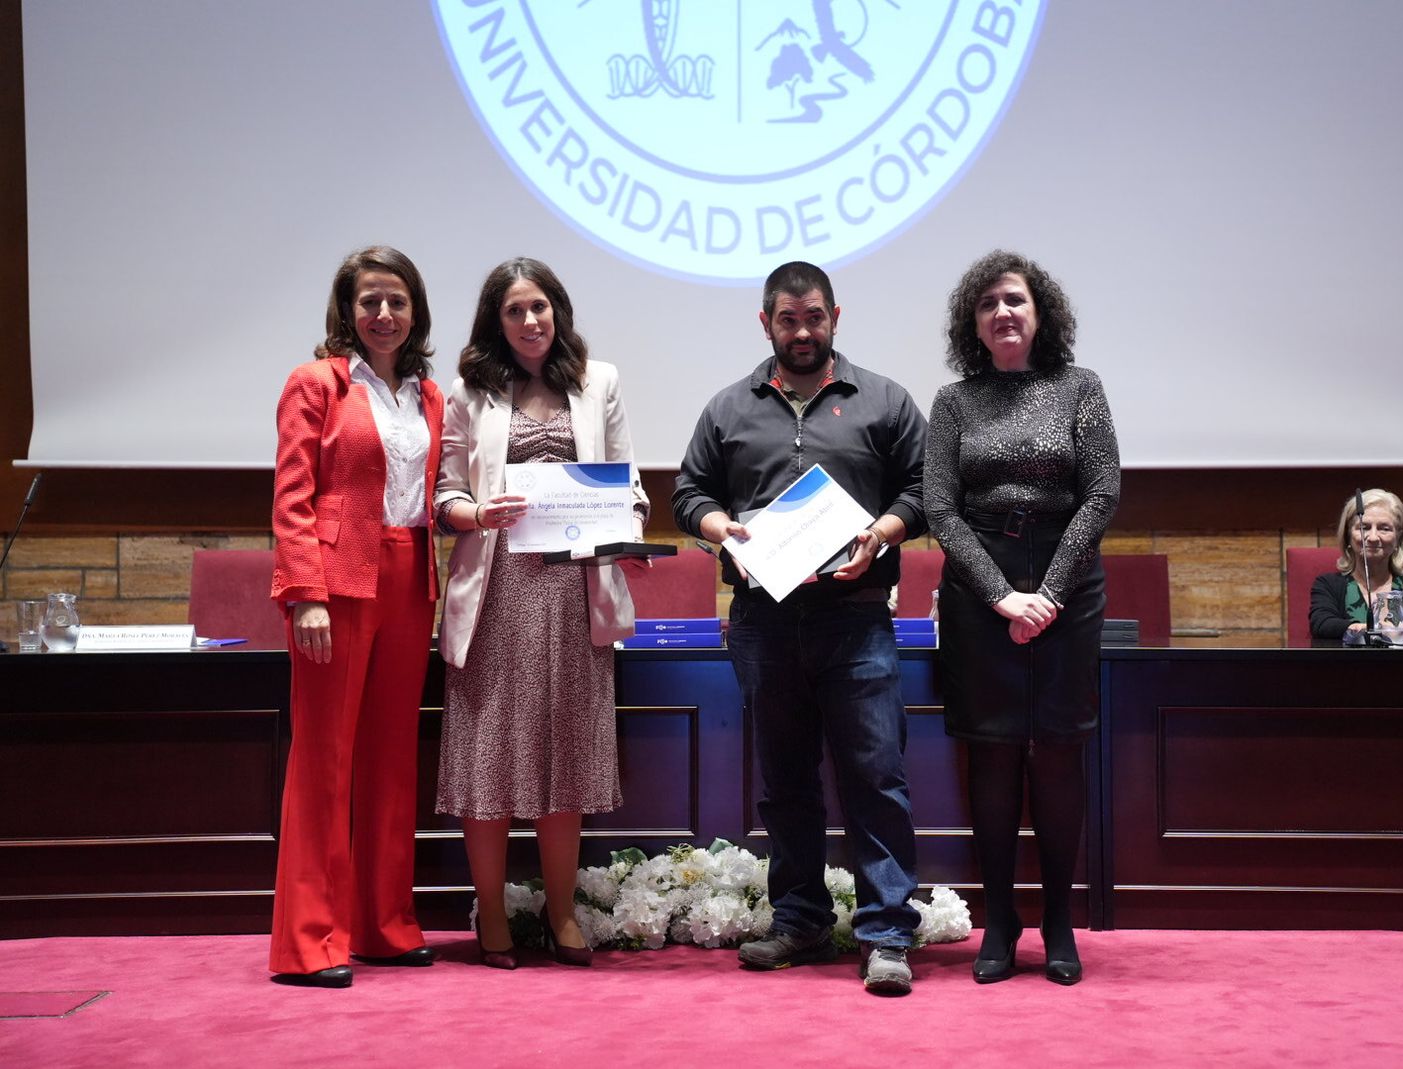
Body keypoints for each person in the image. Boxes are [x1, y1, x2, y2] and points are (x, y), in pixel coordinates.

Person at [672, 261, 926, 996]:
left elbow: (924, 488)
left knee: (876, 778)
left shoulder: (884, 400)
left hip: (857, 622)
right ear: (766, 323)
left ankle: (884, 934)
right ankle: (801, 920)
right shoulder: (728, 408)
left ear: (835, 315)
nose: (803, 330)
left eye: (814, 316)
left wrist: (883, 530)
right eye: (789, 318)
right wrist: (724, 530)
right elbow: (689, 490)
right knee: (785, 784)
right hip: (764, 623)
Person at [433, 258, 648, 970]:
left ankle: (561, 912)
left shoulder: (599, 381)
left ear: (559, 310)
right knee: (490, 758)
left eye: (541, 307)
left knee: (566, 756)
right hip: (495, 593)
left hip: (574, 594)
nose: (531, 321)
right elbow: (443, 498)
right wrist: (476, 511)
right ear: (496, 321)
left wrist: (630, 522)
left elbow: (629, 479)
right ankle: (491, 910)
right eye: (515, 311)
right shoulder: (467, 392)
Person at [925, 250, 1121, 986]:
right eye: (987, 305)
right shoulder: (953, 401)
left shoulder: (1081, 388)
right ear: (972, 324)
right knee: (995, 751)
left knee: (1061, 750)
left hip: (1068, 587)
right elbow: (940, 507)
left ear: (1041, 313)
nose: (1002, 313)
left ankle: (1060, 921)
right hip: (981, 592)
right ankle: (1000, 920)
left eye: (1014, 300)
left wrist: (1050, 592)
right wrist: (1002, 596)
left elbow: (1101, 494)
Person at [268, 246, 444, 988]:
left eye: (396, 301)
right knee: (324, 758)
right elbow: (291, 496)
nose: (383, 314)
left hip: (410, 577)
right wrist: (304, 591)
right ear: (347, 310)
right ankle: (310, 940)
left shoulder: (429, 394)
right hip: (335, 584)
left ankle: (382, 924)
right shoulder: (316, 383)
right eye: (369, 301)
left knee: (391, 758)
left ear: (415, 312)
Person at [1309, 488, 1403, 642]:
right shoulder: (1328, 584)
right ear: (1348, 535)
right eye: (1364, 528)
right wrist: (1385, 630)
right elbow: (1321, 623)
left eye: (1384, 529)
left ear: (1398, 537)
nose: (1373, 537)